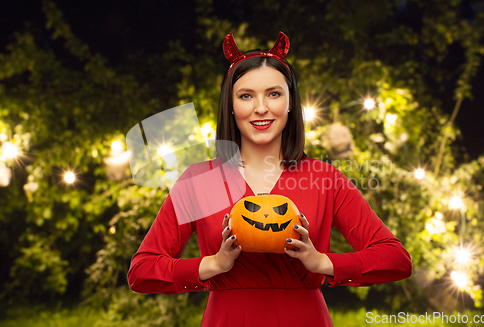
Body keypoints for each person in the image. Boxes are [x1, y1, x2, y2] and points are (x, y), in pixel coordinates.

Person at [127, 31, 413, 327]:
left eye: (273, 94)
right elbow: (142, 271)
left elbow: (395, 259)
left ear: (290, 102)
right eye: (246, 95)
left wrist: (321, 262)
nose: (260, 108)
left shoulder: (323, 177)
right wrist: (213, 264)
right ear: (231, 105)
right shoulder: (201, 180)